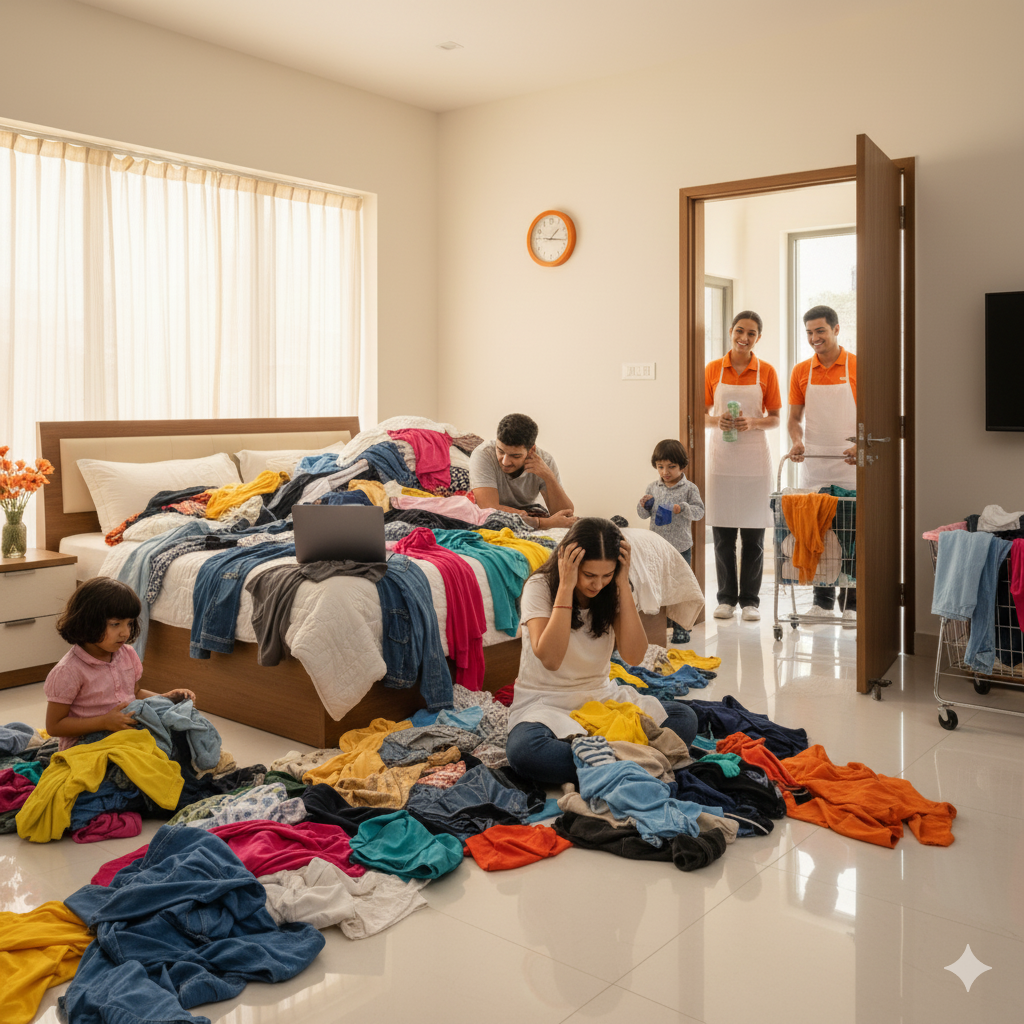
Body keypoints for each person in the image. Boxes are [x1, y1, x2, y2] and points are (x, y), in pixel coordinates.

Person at [504, 517, 699, 786]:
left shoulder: (613, 589)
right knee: (525, 752)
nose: (597, 585)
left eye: (606, 575)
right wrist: (566, 587)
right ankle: (635, 759)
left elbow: (634, 656)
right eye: (589, 575)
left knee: (684, 718)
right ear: (568, 563)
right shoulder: (540, 587)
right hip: (546, 702)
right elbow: (550, 658)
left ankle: (601, 761)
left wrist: (621, 585)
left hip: (602, 699)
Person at [44, 577, 196, 749]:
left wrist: (165, 699)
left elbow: (135, 693)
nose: (125, 632)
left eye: (129, 623)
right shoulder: (68, 671)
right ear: (88, 621)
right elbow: (54, 726)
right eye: (116, 624)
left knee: (184, 729)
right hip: (86, 743)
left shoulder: (128, 654)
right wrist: (104, 722)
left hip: (125, 732)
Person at [705, 310, 782, 622]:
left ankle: (750, 601)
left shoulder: (766, 372)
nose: (744, 338)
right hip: (722, 459)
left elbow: (775, 418)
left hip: (753, 462)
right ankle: (725, 598)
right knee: (723, 533)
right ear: (730, 331)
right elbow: (698, 414)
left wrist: (754, 422)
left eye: (751, 334)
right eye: (740, 331)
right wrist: (716, 420)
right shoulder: (713, 370)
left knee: (752, 535)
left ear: (758, 338)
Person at [787, 304, 858, 625]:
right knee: (817, 533)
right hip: (815, 464)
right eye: (810, 333)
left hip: (850, 464)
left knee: (852, 534)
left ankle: (853, 602)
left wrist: (861, 443)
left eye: (821, 331)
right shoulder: (802, 371)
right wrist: (797, 442)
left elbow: (871, 413)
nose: (815, 338)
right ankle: (822, 600)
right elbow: (793, 419)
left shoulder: (857, 365)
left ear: (836, 329)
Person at [636, 438, 705, 644]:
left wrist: (682, 508)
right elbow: (642, 515)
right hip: (656, 547)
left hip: (680, 546)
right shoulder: (653, 486)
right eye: (660, 467)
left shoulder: (689, 488)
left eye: (671, 467)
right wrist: (643, 506)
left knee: (681, 587)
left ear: (682, 465)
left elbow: (699, 512)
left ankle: (682, 626)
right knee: (657, 585)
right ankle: (659, 624)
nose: (665, 471)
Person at [469, 412, 576, 530]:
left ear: (531, 451)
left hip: (528, 511)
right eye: (500, 451)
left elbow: (566, 514)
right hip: (494, 516)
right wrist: (544, 523)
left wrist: (548, 476)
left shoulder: (545, 461)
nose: (505, 462)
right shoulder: (484, 454)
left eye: (515, 456)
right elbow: (488, 510)